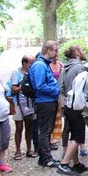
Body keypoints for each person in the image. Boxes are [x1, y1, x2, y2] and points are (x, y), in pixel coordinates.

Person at [56, 45, 88, 176]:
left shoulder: (66, 68)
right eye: (82, 50)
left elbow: (62, 88)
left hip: (69, 105)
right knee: (78, 135)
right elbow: (84, 88)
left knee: (74, 134)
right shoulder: (80, 68)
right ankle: (64, 163)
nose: (84, 52)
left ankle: (76, 164)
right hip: (77, 106)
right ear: (77, 53)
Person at [29, 40, 61, 168]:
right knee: (45, 131)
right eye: (55, 50)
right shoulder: (40, 65)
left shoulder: (44, 64)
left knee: (47, 130)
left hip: (49, 101)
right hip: (44, 102)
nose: (57, 53)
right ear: (49, 51)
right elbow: (40, 85)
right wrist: (56, 90)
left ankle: (44, 157)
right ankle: (46, 158)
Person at [9, 54, 37, 160]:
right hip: (18, 103)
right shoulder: (16, 73)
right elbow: (14, 89)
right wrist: (24, 86)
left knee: (29, 126)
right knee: (19, 127)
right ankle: (18, 150)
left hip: (30, 102)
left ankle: (29, 149)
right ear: (24, 63)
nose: (32, 65)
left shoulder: (32, 72)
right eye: (30, 63)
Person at [49, 52, 63, 149]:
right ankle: (49, 137)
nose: (57, 56)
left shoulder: (61, 65)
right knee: (51, 116)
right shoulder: (47, 66)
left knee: (58, 116)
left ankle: (56, 136)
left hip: (59, 92)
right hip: (50, 92)